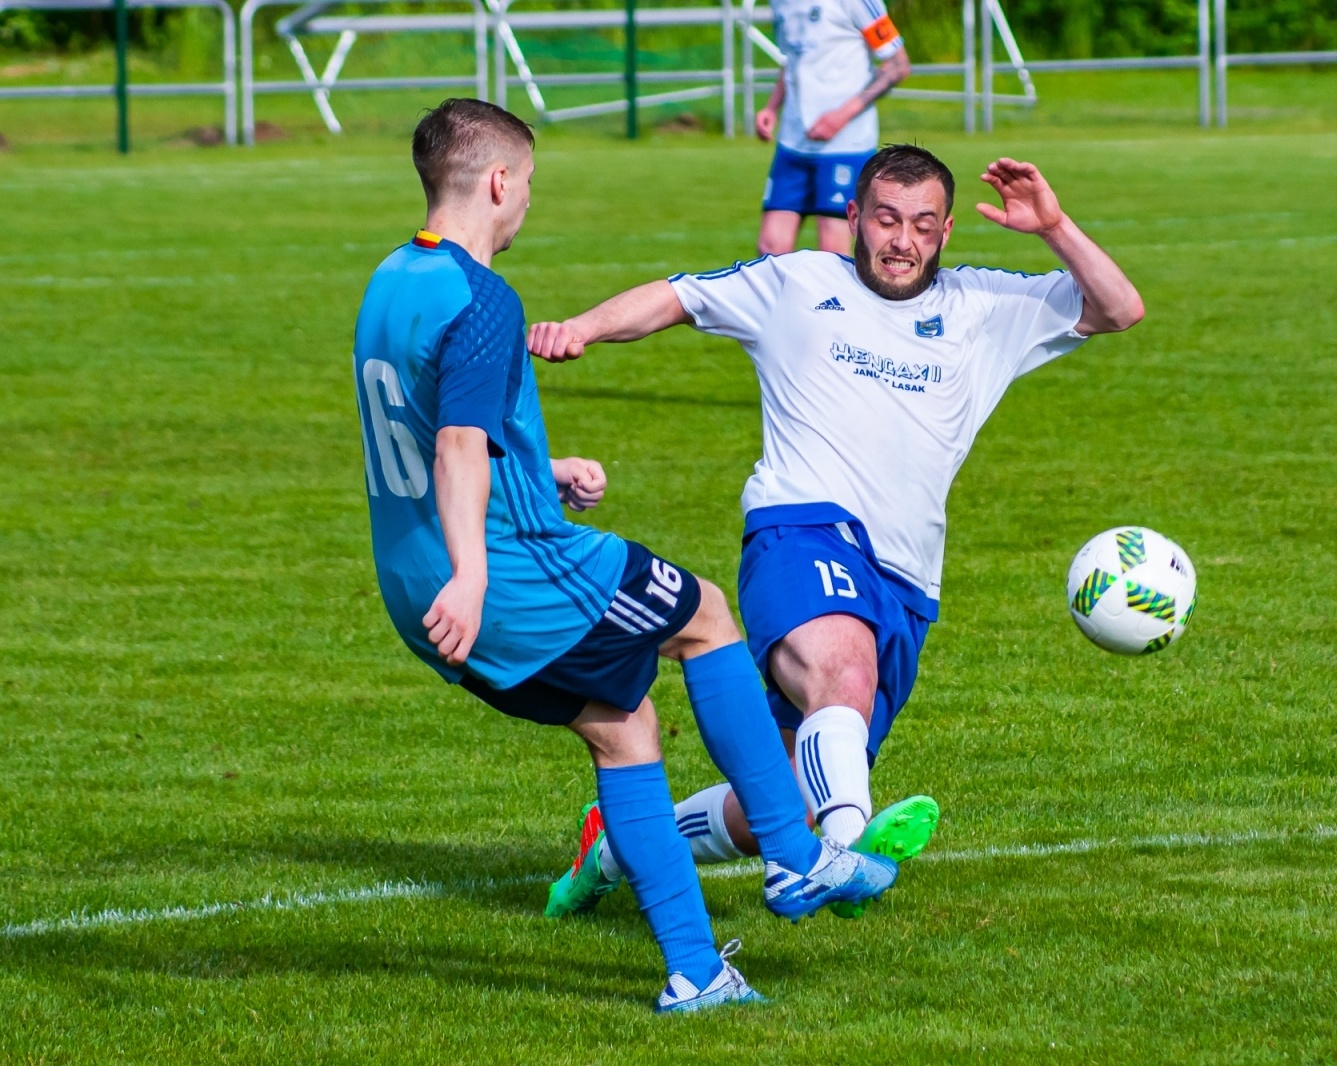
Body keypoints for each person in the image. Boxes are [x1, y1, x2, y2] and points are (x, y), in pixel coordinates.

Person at [352, 98, 897, 1013]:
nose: (527, 202)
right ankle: (798, 858)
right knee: (708, 616)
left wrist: (539, 468)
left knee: (625, 728)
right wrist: (478, 573)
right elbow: (451, 448)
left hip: (414, 584)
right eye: (526, 185)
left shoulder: (389, 279)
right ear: (497, 182)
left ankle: (696, 971)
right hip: (506, 573)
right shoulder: (482, 298)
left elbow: (423, 424)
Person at [528, 143, 1143, 918]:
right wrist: (580, 328)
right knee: (842, 673)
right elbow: (675, 297)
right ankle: (836, 857)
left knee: (779, 798)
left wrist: (1054, 227)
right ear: (854, 218)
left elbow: (1120, 309)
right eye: (886, 219)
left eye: (923, 224)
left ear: (947, 231)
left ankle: (613, 850)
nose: (902, 240)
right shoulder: (797, 282)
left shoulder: (985, 308)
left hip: (909, 580)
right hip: (800, 527)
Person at [755, 0, 911, 256]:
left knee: (832, 252)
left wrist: (841, 115)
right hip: (793, 142)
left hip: (845, 144)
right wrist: (772, 107)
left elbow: (897, 65)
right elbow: (794, 57)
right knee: (770, 249)